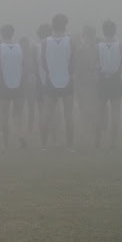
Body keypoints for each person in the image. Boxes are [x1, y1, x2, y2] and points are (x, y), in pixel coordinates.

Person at [40, 14, 75, 151]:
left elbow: (43, 62)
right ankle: (70, 146)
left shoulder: (45, 42)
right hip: (67, 80)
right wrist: (68, 73)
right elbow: (73, 61)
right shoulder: (71, 41)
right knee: (68, 114)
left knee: (47, 114)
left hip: (51, 80)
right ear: (65, 25)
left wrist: (51, 71)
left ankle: (44, 145)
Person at [95, 20, 122, 149]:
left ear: (104, 31)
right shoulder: (121, 45)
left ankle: (97, 141)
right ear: (114, 31)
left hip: (103, 81)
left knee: (100, 112)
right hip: (115, 81)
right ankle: (113, 143)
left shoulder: (99, 46)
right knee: (115, 113)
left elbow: (97, 65)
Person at [0, 24, 26, 150]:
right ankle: (20, 137)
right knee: (18, 114)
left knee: (4, 115)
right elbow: (24, 65)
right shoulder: (20, 47)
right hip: (18, 84)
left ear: (2, 34)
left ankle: (5, 143)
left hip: (3, 84)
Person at [74, 25, 98, 144]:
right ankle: (84, 132)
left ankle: (90, 132)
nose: (91, 38)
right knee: (84, 109)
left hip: (92, 84)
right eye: (90, 35)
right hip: (83, 84)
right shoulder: (79, 51)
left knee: (91, 108)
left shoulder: (96, 49)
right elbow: (77, 69)